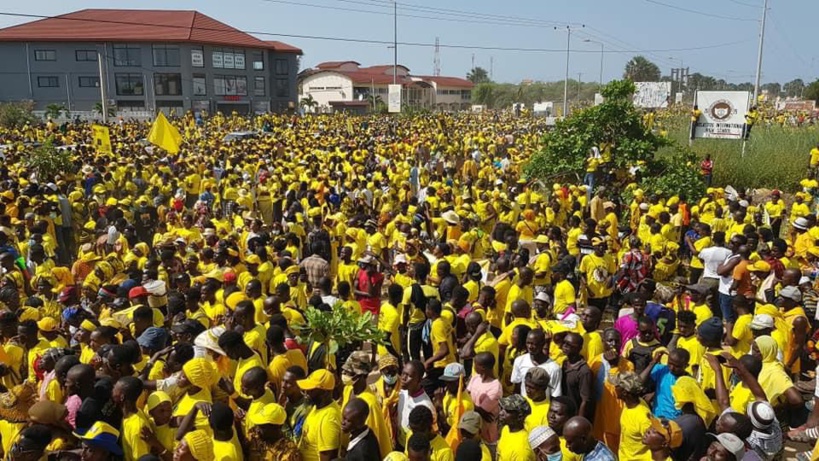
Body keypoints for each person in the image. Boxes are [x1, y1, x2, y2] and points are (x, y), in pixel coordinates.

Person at [297, 370, 342, 461]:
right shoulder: (318, 406)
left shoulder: (329, 419)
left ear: (325, 393)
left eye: (311, 390)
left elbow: (327, 457)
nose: (306, 393)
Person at [611, 371, 652, 460]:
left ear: (625, 392)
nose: (614, 388)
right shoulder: (629, 405)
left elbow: (655, 444)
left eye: (616, 386)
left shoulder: (642, 417)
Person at [496, 395, 534, 461]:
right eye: (502, 409)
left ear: (520, 416)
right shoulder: (506, 429)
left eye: (507, 411)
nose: (501, 413)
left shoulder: (521, 451)